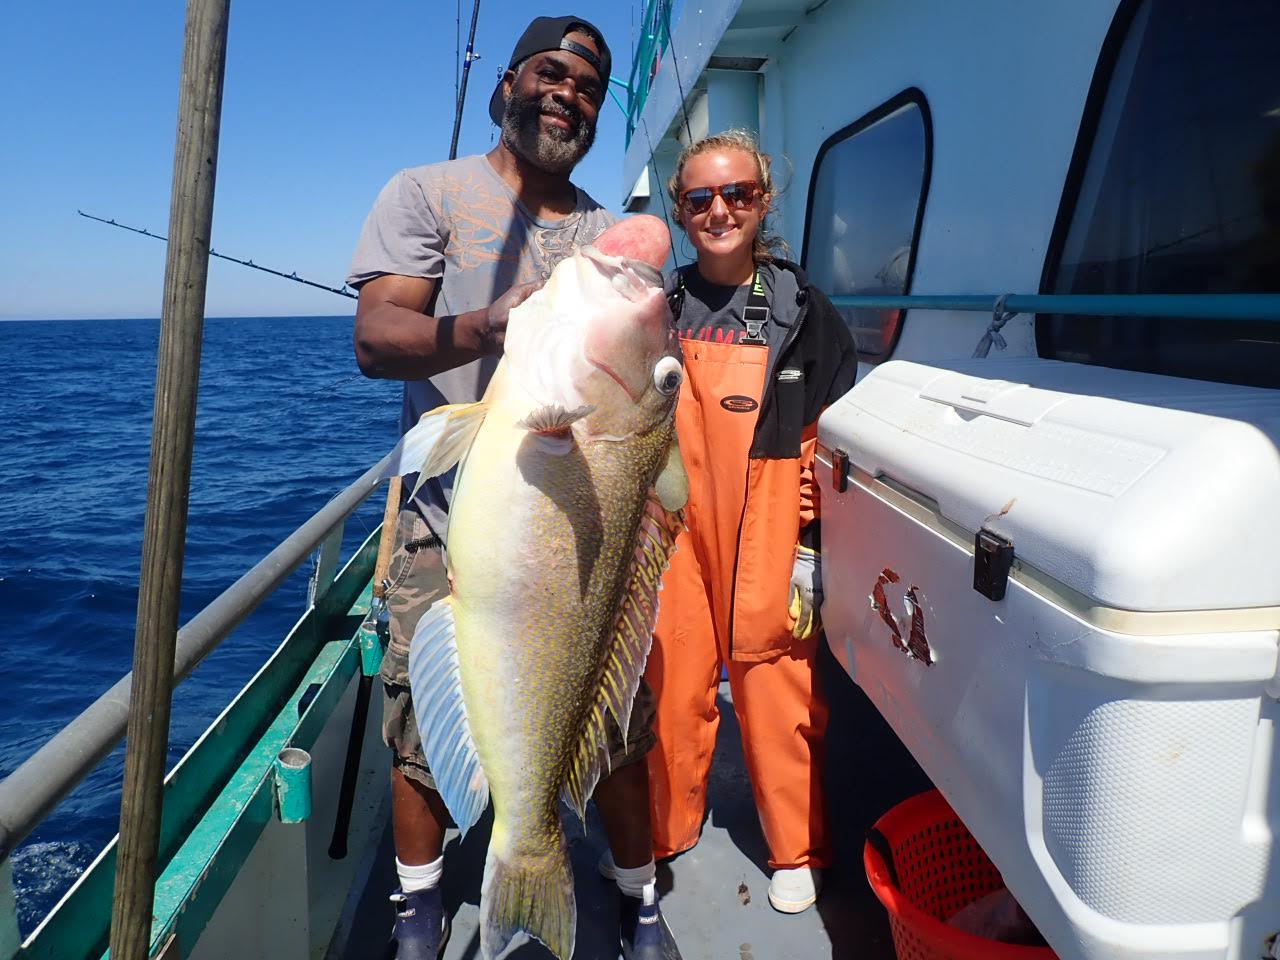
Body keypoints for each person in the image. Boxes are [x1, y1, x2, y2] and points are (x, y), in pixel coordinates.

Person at [347, 16, 682, 960]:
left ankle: (635, 900)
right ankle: (417, 912)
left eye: (588, 85)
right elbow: (376, 337)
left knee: (613, 716)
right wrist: (490, 325)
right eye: (550, 72)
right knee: (418, 711)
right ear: (507, 83)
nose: (566, 93)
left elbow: (649, 394)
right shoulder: (428, 194)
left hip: (585, 513)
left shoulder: (597, 231)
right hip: (446, 509)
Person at [636, 129, 856, 914]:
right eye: (701, 198)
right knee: (667, 674)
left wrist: (813, 544)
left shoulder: (808, 312)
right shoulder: (653, 310)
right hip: (670, 521)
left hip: (770, 512)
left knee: (774, 677)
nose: (721, 210)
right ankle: (664, 832)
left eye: (739, 195)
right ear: (680, 210)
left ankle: (794, 848)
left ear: (765, 201)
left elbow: (828, 443)